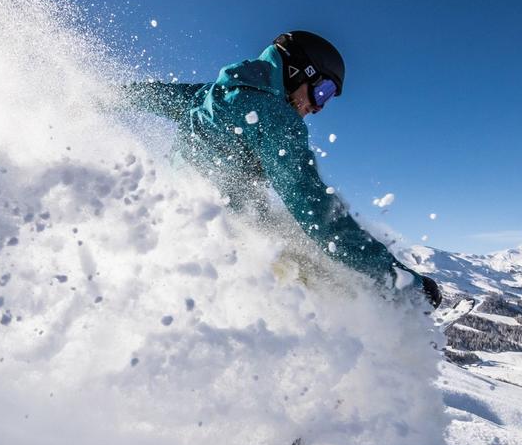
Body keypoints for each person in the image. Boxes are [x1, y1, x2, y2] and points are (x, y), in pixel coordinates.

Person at [123, 30, 442, 309]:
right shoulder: (276, 118)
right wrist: (403, 281)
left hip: (183, 222)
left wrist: (95, 95)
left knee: (288, 241)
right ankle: (379, 313)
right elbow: (318, 214)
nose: (318, 108)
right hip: (226, 238)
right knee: (315, 267)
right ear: (298, 71)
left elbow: (156, 97)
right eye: (323, 92)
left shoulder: (220, 92)